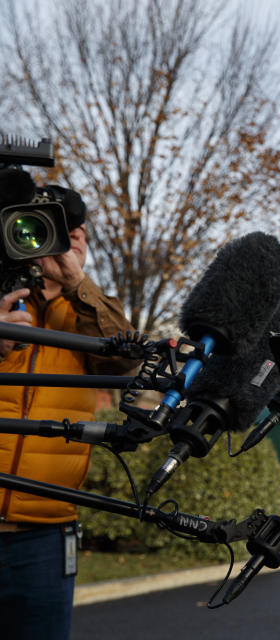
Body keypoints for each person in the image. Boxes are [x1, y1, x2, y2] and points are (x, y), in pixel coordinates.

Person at [0, 169, 136, 639]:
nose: (63, 242)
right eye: (43, 227)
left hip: (47, 532)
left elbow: (124, 356)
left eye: (75, 234)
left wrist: (77, 282)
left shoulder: (88, 315)